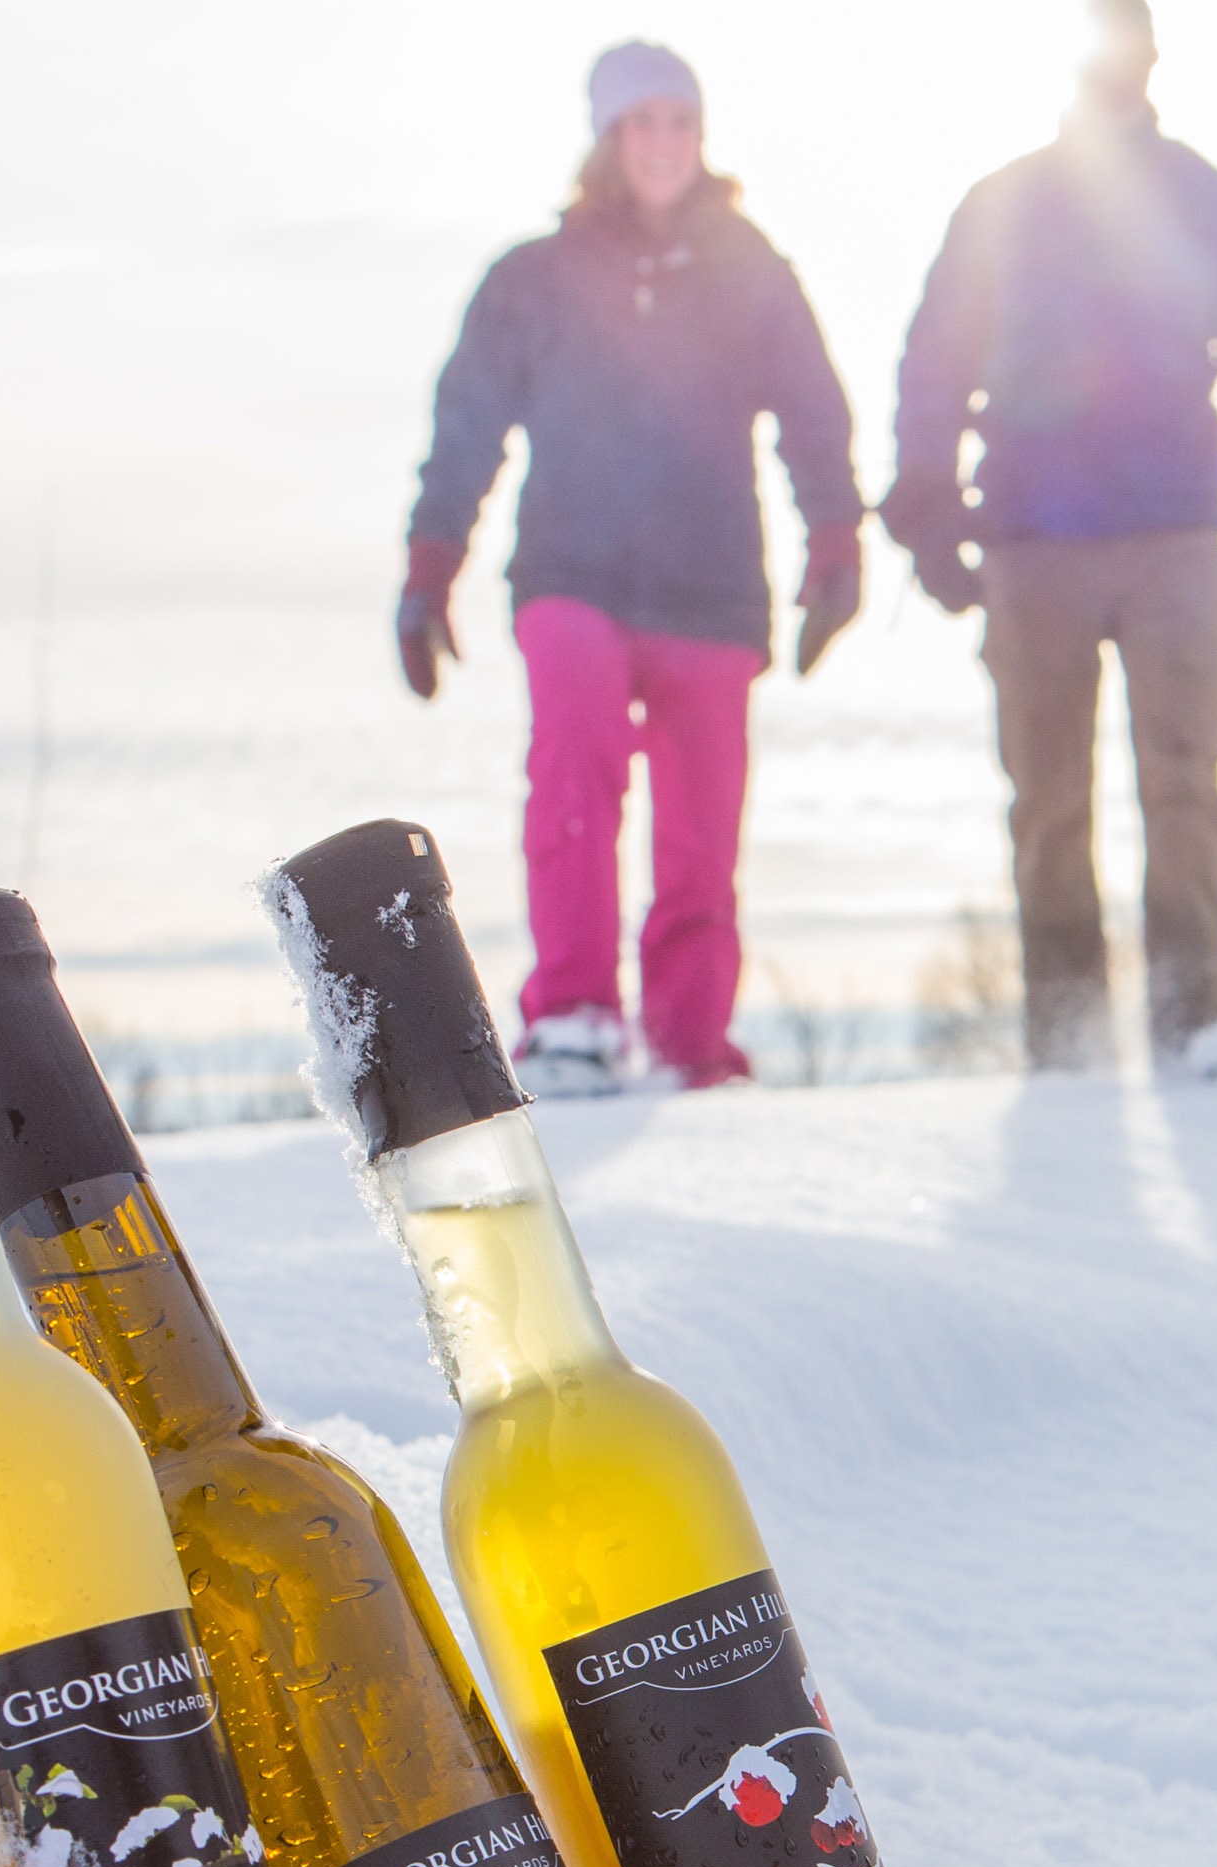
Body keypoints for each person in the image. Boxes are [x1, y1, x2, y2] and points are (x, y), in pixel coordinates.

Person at [397, 41, 862, 1095]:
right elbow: (465, 428)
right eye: (641, 122)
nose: (662, 142)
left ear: (701, 137)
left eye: (680, 122)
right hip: (575, 573)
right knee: (576, 764)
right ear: (607, 140)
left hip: (711, 588)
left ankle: (693, 1040)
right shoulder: (536, 277)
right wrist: (431, 568)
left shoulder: (753, 270)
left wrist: (835, 538)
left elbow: (814, 416)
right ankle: (573, 1014)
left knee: (701, 827)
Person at [881, 0, 1217, 1081]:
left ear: (1153, 55)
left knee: (1186, 781)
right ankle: (1069, 1041)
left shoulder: (1205, 202)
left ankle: (1196, 1023)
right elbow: (934, 359)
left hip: (1177, 533)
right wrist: (928, 509)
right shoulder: (1003, 202)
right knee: (1048, 801)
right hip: (1033, 540)